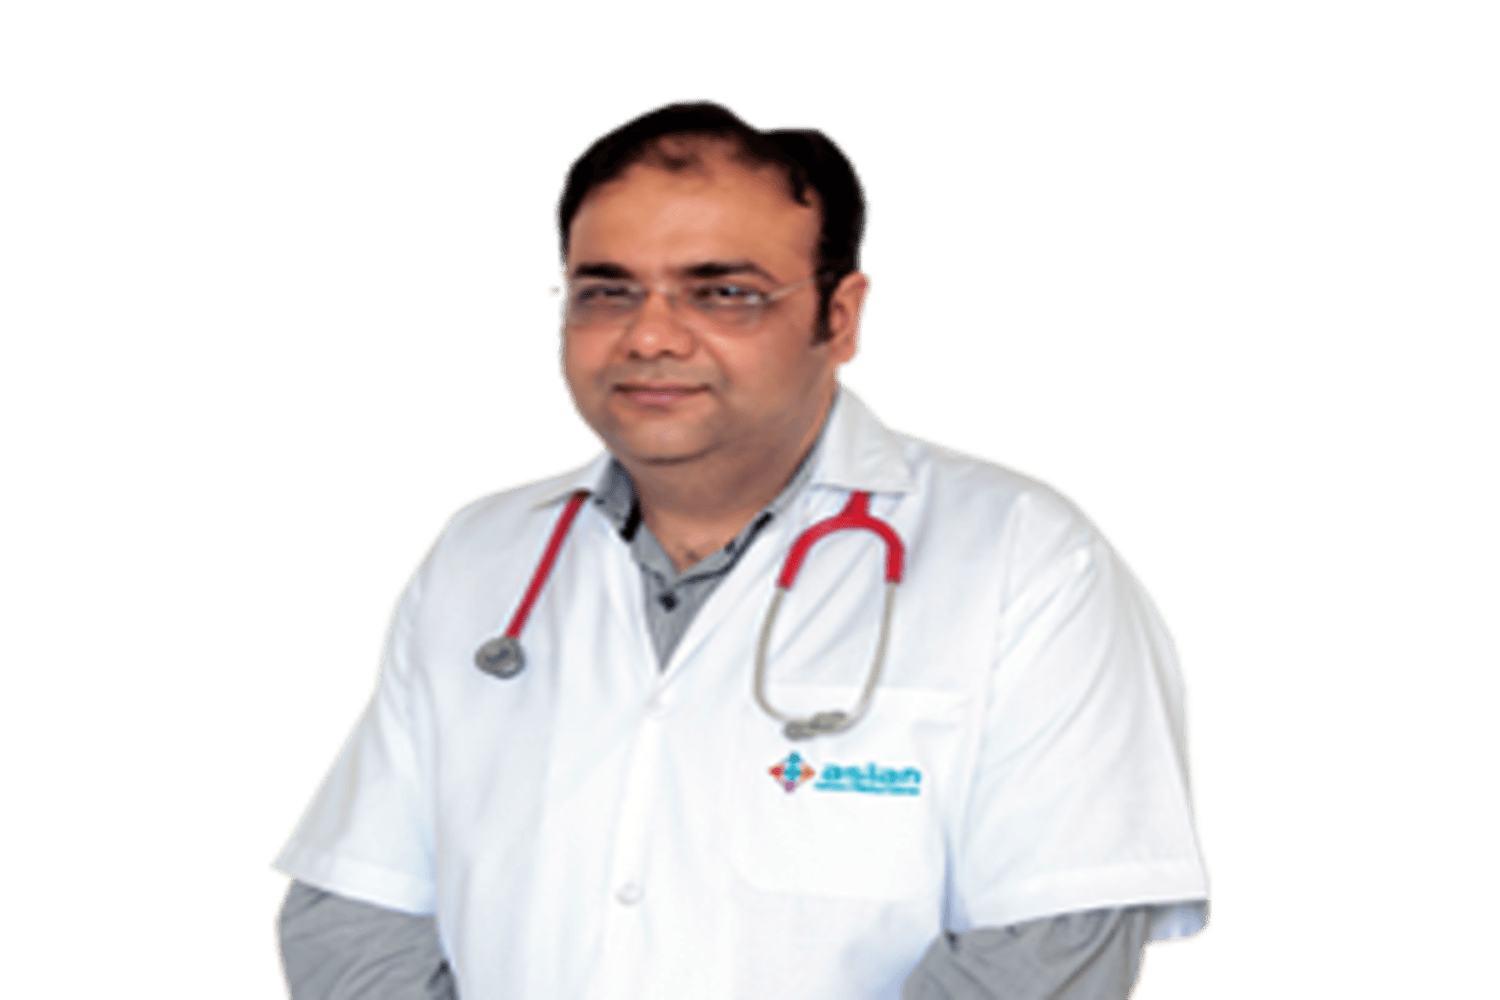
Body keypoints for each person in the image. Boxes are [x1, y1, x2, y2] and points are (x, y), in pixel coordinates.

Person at [268, 97, 1212, 1000]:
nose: (650, 336)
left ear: (840, 316)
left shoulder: (1023, 558)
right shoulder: (480, 554)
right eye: (606, 292)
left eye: (723, 293)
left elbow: (1050, 944)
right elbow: (356, 911)